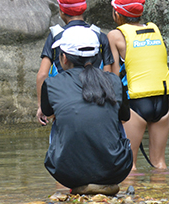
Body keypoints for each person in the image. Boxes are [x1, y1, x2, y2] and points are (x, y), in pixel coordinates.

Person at [41, 26, 133, 192]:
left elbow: (48, 113)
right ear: (98, 57)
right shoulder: (114, 81)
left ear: (63, 58)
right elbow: (125, 118)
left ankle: (76, 182)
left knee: (57, 120)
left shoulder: (52, 83)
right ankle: (103, 179)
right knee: (115, 117)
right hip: (116, 171)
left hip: (67, 174)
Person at [107, 0, 169, 171]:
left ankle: (133, 200)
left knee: (130, 165)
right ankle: (162, 197)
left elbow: (113, 75)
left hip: (135, 103)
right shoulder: (154, 29)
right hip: (162, 101)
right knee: (159, 163)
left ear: (117, 14)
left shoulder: (115, 35)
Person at [36, 0, 114, 125]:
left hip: (64, 105)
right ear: (84, 8)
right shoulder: (99, 36)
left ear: (61, 11)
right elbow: (108, 74)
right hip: (97, 106)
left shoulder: (56, 36)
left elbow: (42, 74)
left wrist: (42, 106)